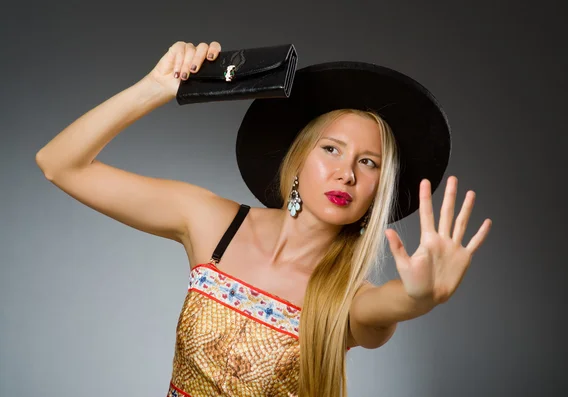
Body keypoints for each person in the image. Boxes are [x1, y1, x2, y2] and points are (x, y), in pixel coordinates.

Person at [35, 40, 492, 397]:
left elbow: (388, 307)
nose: (346, 173)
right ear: (297, 161)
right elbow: (60, 163)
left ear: (378, 191)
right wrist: (155, 88)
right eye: (331, 149)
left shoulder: (347, 300)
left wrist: (421, 298)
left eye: (369, 163)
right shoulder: (214, 224)